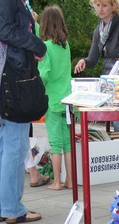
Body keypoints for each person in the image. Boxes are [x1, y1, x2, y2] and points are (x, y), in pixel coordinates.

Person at [0, 0, 46, 224]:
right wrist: (36, 45)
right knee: (15, 145)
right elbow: (4, 30)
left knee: (4, 145)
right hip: (15, 76)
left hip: (6, 75)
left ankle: (1, 207)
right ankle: (12, 208)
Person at [74, 0, 119, 181]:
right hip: (108, 80)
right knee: (116, 123)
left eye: (104, 5)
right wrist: (84, 61)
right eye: (97, 5)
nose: (100, 9)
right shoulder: (99, 29)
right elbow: (93, 58)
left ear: (113, 6)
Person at [38, 5, 74, 191]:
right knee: (68, 143)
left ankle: (57, 181)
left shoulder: (45, 47)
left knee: (55, 144)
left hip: (52, 101)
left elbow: (44, 74)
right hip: (67, 100)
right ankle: (70, 180)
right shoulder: (66, 46)